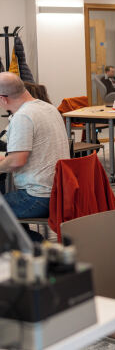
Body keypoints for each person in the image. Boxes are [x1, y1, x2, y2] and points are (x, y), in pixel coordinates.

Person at [0, 72, 69, 241]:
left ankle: (36, 248)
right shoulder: (48, 108)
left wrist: (6, 162)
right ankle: (28, 244)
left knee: (3, 209)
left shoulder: (22, 116)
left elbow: (17, 161)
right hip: (59, 193)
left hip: (37, 198)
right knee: (6, 209)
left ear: (3, 99)